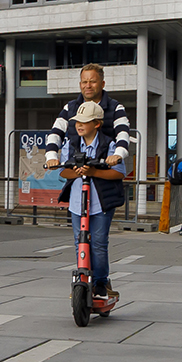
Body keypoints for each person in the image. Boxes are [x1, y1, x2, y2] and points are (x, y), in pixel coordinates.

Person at [59, 100, 125, 300]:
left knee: (97, 243)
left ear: (96, 123)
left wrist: (95, 171)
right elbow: (63, 171)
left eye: (84, 121)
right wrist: (76, 172)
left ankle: (100, 283)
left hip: (100, 203)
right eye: (77, 121)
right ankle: (82, 278)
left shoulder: (109, 144)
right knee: (80, 243)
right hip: (78, 204)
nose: (79, 125)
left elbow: (119, 173)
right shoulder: (71, 144)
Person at [44, 63, 131, 176]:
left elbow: (123, 133)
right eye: (84, 82)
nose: (88, 86)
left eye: (93, 82)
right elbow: (55, 133)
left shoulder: (115, 108)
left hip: (104, 173)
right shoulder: (70, 107)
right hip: (76, 173)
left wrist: (118, 154)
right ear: (80, 84)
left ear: (102, 84)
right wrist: (51, 156)